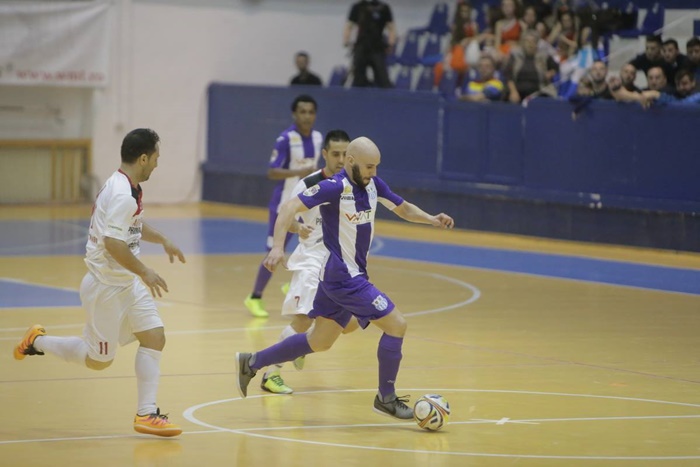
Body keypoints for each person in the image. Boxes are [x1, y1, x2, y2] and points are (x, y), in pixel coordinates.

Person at [235, 136, 455, 420]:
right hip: (344, 278)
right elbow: (289, 207)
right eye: (369, 166)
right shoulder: (334, 187)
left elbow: (403, 208)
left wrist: (431, 218)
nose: (373, 172)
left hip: (342, 276)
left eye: (376, 166)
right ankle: (386, 398)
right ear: (351, 162)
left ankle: (252, 362)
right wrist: (278, 247)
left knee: (320, 341)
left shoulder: (374, 184)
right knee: (397, 325)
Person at [13, 129, 186, 437]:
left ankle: (146, 414)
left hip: (125, 281)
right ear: (143, 158)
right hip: (106, 287)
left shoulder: (127, 185)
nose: (157, 164)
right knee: (98, 361)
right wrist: (145, 271)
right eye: (156, 158)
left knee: (155, 337)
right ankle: (37, 341)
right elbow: (113, 243)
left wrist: (163, 239)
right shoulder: (122, 194)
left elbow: (133, 224)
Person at [259, 129, 360, 395]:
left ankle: (300, 345)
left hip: (341, 266)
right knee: (303, 319)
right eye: (335, 154)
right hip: (313, 261)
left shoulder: (354, 184)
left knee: (351, 324)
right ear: (325, 154)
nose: (341, 159)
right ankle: (270, 373)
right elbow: (286, 215)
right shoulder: (309, 183)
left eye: (345, 154)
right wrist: (294, 230)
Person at [243, 94, 323, 318]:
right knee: (275, 251)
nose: (307, 116)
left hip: (308, 204)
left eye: (311, 112)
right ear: (294, 114)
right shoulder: (286, 139)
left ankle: (294, 283)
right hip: (284, 204)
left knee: (313, 246)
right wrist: (298, 172)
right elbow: (272, 172)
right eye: (302, 112)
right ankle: (254, 297)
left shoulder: (318, 138)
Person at [343, 0, 396, 88]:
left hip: (377, 48)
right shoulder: (358, 7)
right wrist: (346, 40)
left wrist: (391, 43)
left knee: (383, 79)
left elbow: (391, 27)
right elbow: (349, 25)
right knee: (358, 79)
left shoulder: (383, 8)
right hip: (361, 47)